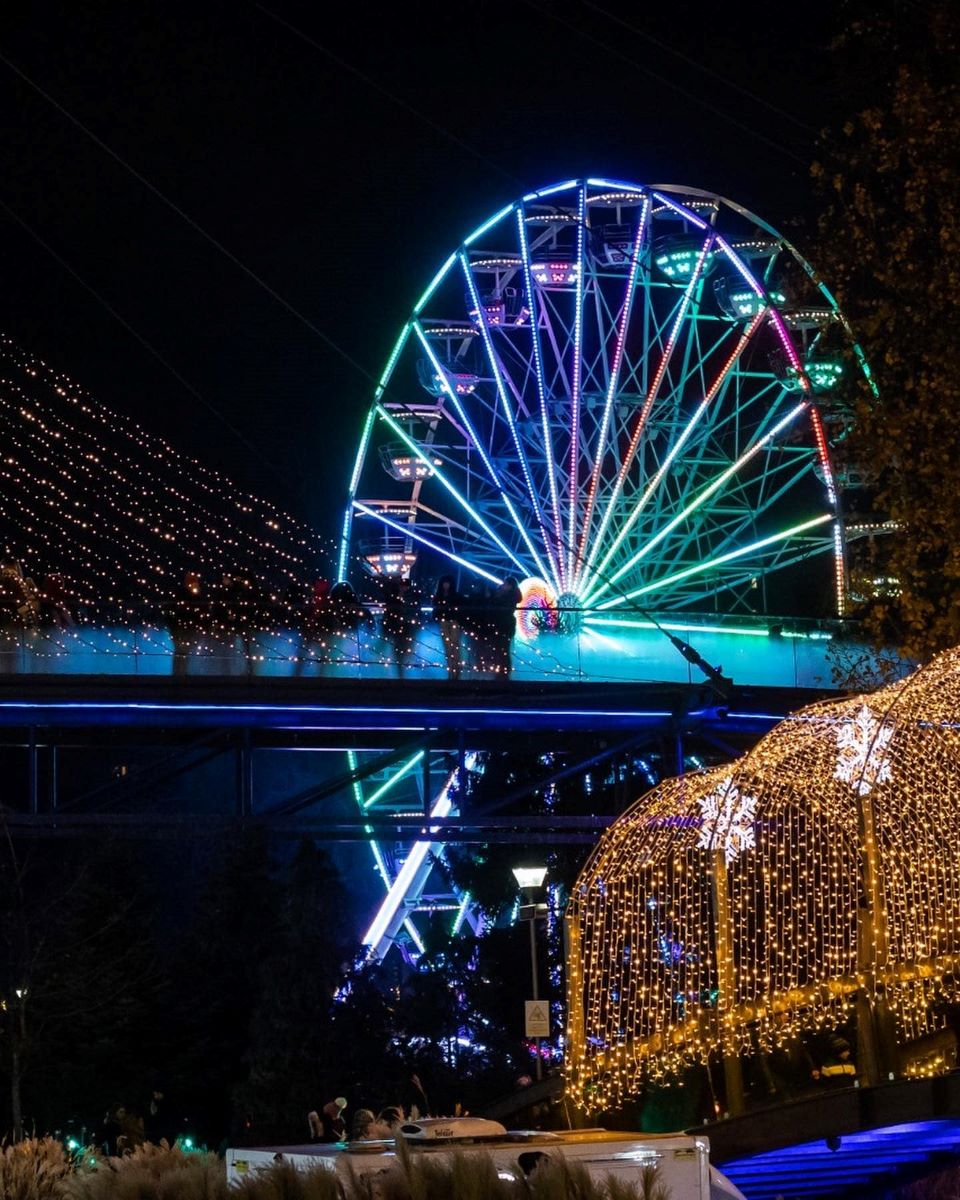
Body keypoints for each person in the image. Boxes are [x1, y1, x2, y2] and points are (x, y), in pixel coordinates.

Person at [381, 577, 418, 677]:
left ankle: (401, 671)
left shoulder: (403, 597)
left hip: (404, 626)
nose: (403, 588)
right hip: (400, 626)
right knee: (400, 649)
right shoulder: (399, 597)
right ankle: (401, 671)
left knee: (401, 649)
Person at [489, 577, 522, 677]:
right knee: (503, 649)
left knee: (501, 649)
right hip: (506, 624)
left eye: (505, 584)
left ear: (510, 586)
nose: (502, 585)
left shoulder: (506, 597)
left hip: (503, 624)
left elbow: (497, 605)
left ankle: (502, 671)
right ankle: (504, 671)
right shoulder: (513, 596)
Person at [432, 575, 464, 680]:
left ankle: (454, 670)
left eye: (447, 583)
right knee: (449, 646)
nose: (446, 585)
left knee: (453, 646)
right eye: (444, 583)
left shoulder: (453, 596)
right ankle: (453, 670)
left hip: (452, 621)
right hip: (445, 621)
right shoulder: (440, 596)